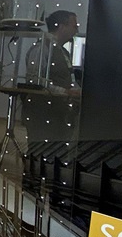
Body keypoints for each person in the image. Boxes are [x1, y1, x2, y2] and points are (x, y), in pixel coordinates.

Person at [22, 10, 82, 143]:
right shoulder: (42, 48)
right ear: (61, 27)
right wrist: (66, 92)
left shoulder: (63, 51)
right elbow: (35, 82)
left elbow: (68, 78)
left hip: (59, 114)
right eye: (74, 26)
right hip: (42, 113)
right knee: (40, 154)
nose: (77, 30)